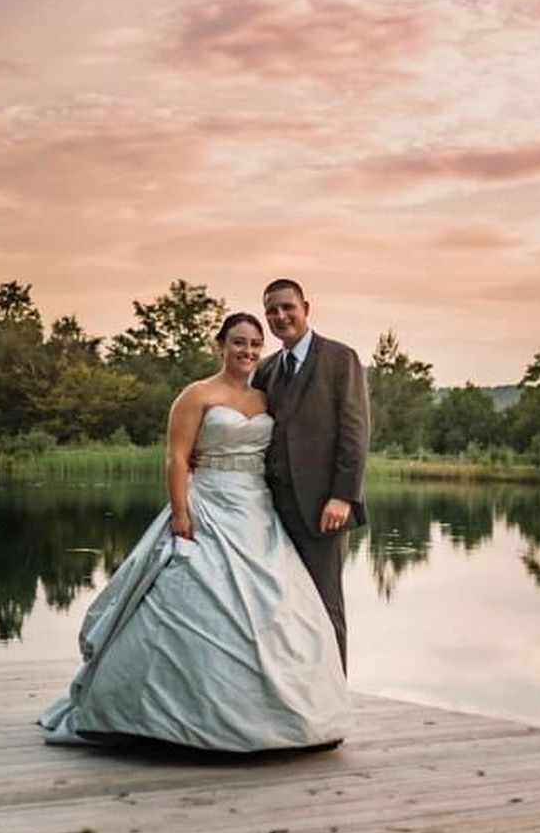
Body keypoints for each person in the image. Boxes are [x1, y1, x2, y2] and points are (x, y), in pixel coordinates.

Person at [39, 312, 349, 752]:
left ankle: (276, 715)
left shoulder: (265, 400)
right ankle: (156, 717)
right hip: (206, 506)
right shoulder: (196, 394)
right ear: (220, 344)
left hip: (257, 512)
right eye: (238, 342)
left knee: (275, 609)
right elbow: (177, 459)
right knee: (191, 603)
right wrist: (182, 514)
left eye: (254, 345)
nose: (247, 351)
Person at [252, 280, 370, 671]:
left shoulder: (340, 359)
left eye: (288, 307)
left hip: (323, 506)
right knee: (281, 607)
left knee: (324, 603)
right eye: (272, 311)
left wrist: (343, 495)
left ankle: (333, 697)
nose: (280, 317)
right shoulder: (266, 369)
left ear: (306, 307)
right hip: (272, 512)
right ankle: (295, 693)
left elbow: (355, 432)